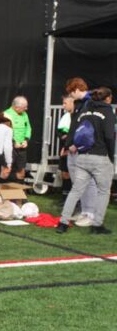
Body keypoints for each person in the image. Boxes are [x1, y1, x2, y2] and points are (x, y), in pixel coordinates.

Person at [56, 87, 115, 235]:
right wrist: (111, 155)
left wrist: (68, 145)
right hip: (100, 157)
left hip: (82, 157)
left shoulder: (84, 108)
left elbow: (74, 128)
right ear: (107, 99)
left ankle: (63, 223)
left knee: (76, 190)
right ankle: (97, 225)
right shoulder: (107, 111)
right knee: (103, 191)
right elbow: (109, 135)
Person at [62, 78, 98, 227]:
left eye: (71, 92)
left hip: (84, 149)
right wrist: (68, 144)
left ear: (76, 89)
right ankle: (84, 211)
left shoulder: (90, 103)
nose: (70, 96)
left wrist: (78, 144)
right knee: (78, 182)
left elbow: (88, 127)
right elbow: (74, 125)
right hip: (73, 148)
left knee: (89, 182)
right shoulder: (79, 104)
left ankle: (91, 213)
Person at [3, 96, 31, 181]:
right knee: (6, 172)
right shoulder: (6, 114)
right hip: (10, 147)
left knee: (21, 173)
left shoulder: (24, 114)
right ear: (16, 107)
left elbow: (28, 128)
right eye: (24, 107)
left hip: (22, 148)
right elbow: (5, 132)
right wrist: (14, 142)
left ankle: (18, 191)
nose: (26, 109)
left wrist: (26, 140)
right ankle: (2, 190)